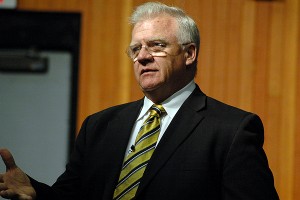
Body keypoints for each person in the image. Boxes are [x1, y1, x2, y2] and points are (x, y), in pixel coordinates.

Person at [0, 2, 278, 200]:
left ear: (189, 53)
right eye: (135, 49)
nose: (142, 56)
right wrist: (35, 191)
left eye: (157, 46)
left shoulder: (232, 130)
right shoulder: (100, 126)